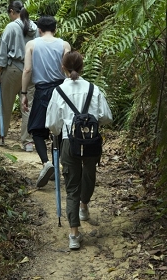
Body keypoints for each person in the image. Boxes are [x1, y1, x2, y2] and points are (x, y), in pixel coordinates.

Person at [46, 51, 112, 251]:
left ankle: (74, 234)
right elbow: (107, 117)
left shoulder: (58, 91)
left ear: (63, 68)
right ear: (82, 67)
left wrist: (62, 129)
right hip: (91, 143)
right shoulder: (94, 89)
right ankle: (84, 205)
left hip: (69, 143)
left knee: (72, 185)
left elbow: (52, 124)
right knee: (89, 174)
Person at [21, 16, 71, 187]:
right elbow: (69, 69)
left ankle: (46, 163)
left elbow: (27, 70)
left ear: (39, 30)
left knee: (36, 129)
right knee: (60, 129)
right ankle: (58, 166)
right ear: (55, 29)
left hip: (42, 91)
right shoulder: (64, 45)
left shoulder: (32, 45)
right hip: (61, 91)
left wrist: (23, 93)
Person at [0, 0, 38, 148]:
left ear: (12, 11)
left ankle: (0, 135)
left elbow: (3, 53)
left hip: (13, 70)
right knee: (28, 106)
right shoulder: (35, 27)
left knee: (6, 103)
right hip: (30, 70)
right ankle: (28, 141)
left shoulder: (11, 27)